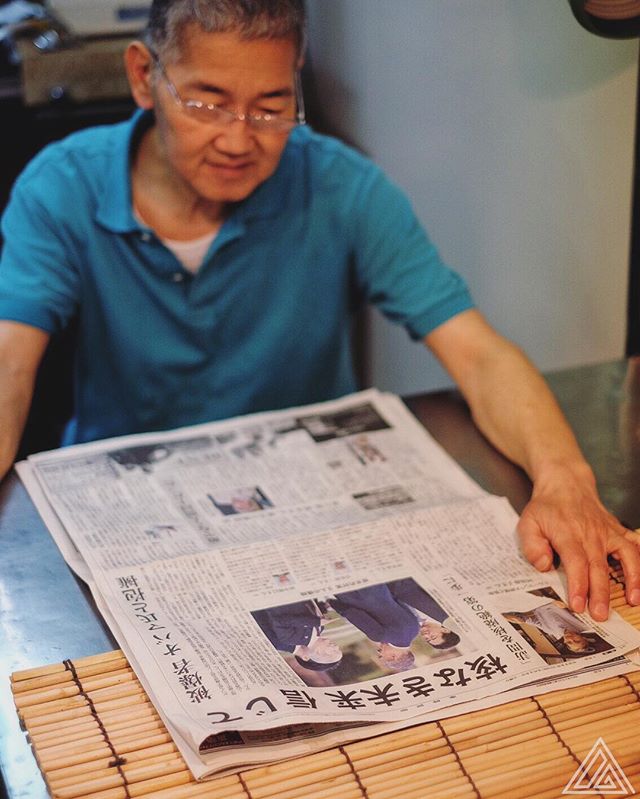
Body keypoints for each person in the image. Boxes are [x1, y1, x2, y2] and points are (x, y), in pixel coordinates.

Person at [0, 0, 638, 621]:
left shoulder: (340, 185)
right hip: (128, 515)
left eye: (271, 106)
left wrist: (566, 481)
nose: (237, 138)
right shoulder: (63, 187)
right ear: (145, 76)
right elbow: (10, 364)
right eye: (207, 102)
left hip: (311, 513)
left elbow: (477, 353)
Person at [251, 600, 342, 671]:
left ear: (306, 657)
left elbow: (274, 620)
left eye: (333, 651)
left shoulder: (281, 643)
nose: (336, 646)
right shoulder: (317, 631)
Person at [387, 578, 460, 651]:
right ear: (445, 630)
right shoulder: (443, 610)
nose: (425, 635)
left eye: (427, 639)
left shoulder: (409, 626)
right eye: (433, 636)